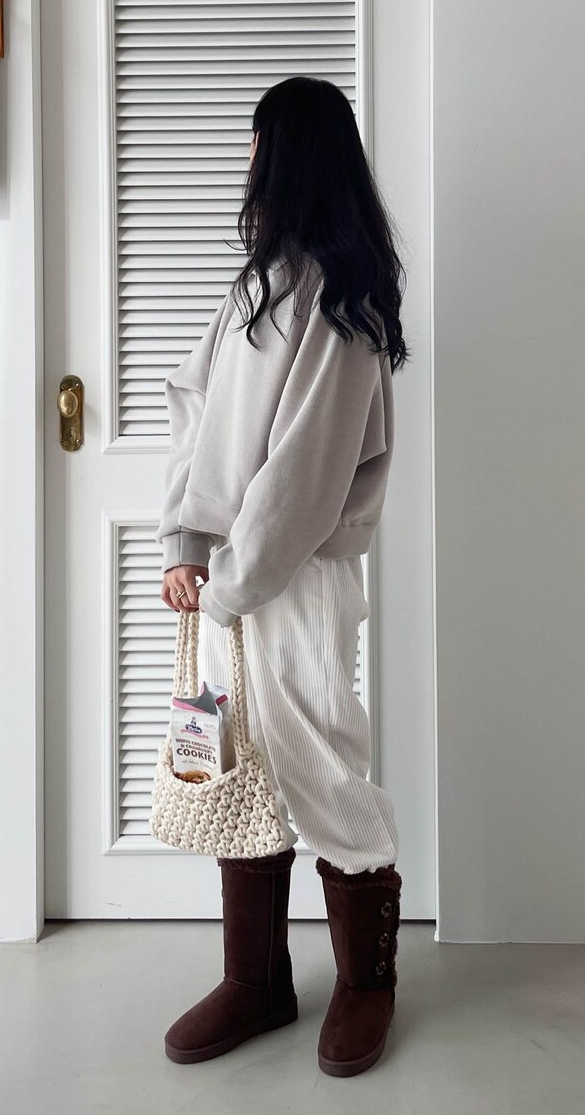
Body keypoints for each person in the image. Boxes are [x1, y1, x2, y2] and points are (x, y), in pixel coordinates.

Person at [155, 75, 411, 1078]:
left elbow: (305, 475)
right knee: (231, 764)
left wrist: (230, 579)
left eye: (259, 142)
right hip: (224, 577)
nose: (249, 161)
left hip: (293, 578)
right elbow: (193, 406)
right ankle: (255, 977)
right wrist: (186, 545)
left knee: (319, 763)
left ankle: (366, 982)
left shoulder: (342, 299)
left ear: (292, 152)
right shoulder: (256, 285)